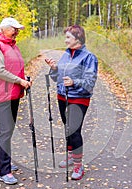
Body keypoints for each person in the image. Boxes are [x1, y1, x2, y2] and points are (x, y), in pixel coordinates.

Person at [45, 25, 98, 180]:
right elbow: (57, 78)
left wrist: (74, 82)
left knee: (74, 130)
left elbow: (90, 81)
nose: (65, 40)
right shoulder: (66, 55)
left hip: (79, 99)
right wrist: (54, 68)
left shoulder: (89, 57)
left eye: (68, 37)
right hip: (62, 97)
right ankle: (70, 156)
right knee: (68, 128)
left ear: (78, 39)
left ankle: (78, 165)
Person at [0, 17, 31, 185]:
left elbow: (14, 67)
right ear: (3, 29)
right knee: (5, 131)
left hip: (12, 93)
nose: (16, 31)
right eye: (14, 29)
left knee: (8, 130)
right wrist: (19, 81)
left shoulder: (12, 46)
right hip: (1, 94)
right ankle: (4, 171)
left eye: (18, 29)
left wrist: (23, 78)